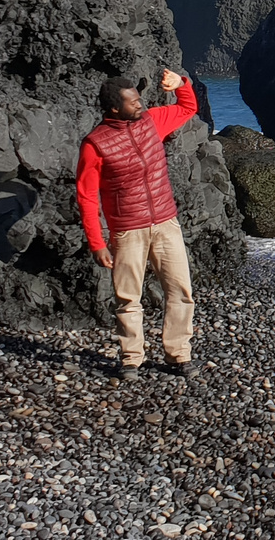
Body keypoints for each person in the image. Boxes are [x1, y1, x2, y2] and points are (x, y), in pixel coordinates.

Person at [76, 68, 201, 378]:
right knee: (128, 297)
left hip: (165, 221)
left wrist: (182, 84)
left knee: (181, 292)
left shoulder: (151, 121)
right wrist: (97, 243)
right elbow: (87, 196)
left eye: (139, 99)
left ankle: (179, 355)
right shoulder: (95, 144)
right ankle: (132, 358)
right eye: (133, 102)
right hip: (127, 229)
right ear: (114, 108)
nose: (140, 105)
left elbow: (188, 108)